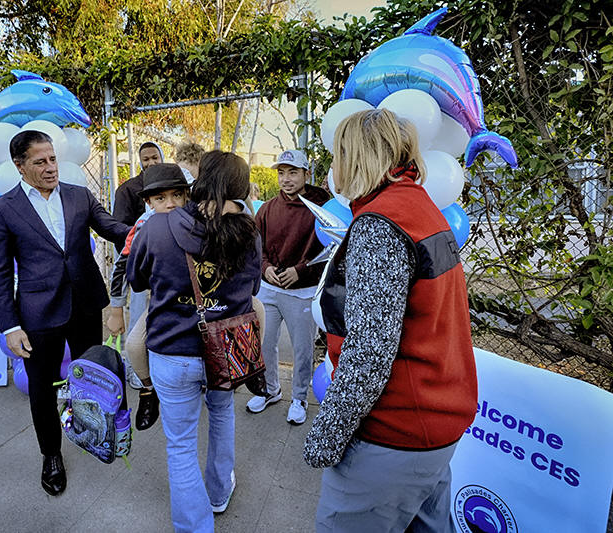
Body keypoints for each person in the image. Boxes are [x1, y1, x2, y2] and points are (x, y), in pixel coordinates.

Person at [304, 109, 477, 532]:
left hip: (394, 432)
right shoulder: (419, 207)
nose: (332, 168)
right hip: (433, 424)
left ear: (355, 157)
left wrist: (327, 434)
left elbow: (369, 350)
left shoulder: (381, 224)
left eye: (336, 155)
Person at [0, 130, 130, 497]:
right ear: (20, 166)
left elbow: (112, 228)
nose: (51, 167)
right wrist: (10, 327)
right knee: (41, 390)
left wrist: (147, 230)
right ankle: (51, 455)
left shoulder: (80, 195)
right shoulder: (3, 209)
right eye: (40, 162)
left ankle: (94, 435)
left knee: (90, 379)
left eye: (52, 159)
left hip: (84, 305)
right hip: (38, 314)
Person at [127, 150, 262, 533]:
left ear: (198, 183)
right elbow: (252, 289)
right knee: (222, 415)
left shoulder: (157, 226)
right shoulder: (249, 233)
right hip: (227, 349)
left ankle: (194, 527)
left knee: (181, 445)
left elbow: (137, 279)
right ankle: (219, 493)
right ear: (242, 189)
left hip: (171, 353)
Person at [246, 149, 329, 425]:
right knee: (264, 343)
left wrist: (300, 271)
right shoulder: (268, 208)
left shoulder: (322, 207)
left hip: (303, 292)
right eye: (281, 173)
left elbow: (331, 250)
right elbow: (255, 248)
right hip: (269, 289)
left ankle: (299, 398)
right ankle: (270, 390)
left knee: (302, 349)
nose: (286, 179)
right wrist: (265, 268)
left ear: (307, 174)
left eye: (293, 172)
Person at [107, 163, 192, 431]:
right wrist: (117, 309)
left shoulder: (197, 221)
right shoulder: (143, 225)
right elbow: (122, 267)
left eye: (176, 195)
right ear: (148, 202)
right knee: (134, 345)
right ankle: (148, 389)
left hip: (200, 303)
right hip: (163, 302)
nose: (170, 204)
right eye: (160, 198)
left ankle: (249, 373)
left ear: (186, 196)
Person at [113, 140, 164, 389]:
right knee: (137, 319)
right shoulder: (127, 189)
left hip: (166, 268)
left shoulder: (170, 183)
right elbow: (118, 229)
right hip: (140, 267)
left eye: (155, 157)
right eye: (146, 159)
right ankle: (135, 370)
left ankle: (159, 367)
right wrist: (140, 242)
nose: (151, 162)